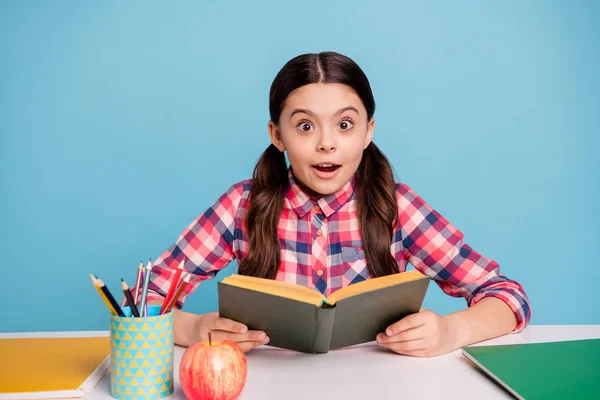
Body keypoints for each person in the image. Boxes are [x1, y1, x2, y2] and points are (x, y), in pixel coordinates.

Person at [146, 51, 531, 357]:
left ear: (368, 132)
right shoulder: (241, 205)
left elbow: (508, 295)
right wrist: (195, 329)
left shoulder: (396, 206)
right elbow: (143, 299)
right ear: (277, 135)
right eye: (305, 126)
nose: (326, 143)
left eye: (344, 124)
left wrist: (450, 331)